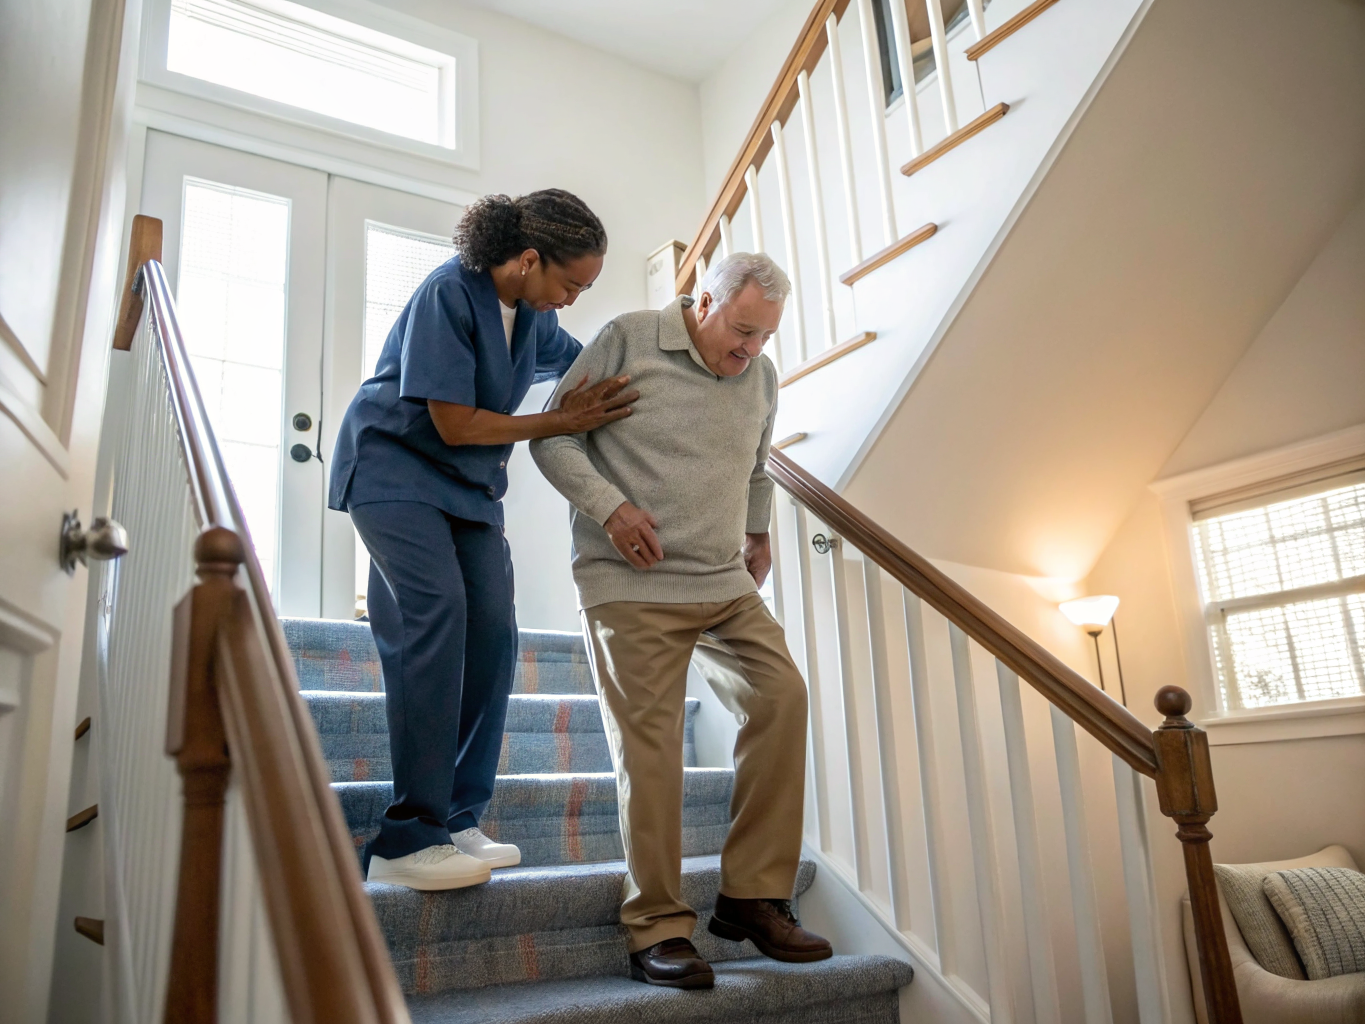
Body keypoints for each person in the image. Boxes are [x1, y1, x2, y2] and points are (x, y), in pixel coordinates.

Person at [530, 252, 832, 988]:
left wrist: (757, 531)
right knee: (653, 751)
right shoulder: (628, 340)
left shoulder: (758, 376)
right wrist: (610, 507)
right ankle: (657, 928)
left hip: (721, 581)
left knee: (780, 698)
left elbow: (757, 466)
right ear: (703, 302)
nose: (751, 350)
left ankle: (752, 897)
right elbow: (552, 434)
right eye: (741, 330)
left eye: (765, 337)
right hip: (628, 584)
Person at [329, 189, 637, 891]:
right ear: (528, 260)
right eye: (569, 283)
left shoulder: (530, 318)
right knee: (434, 620)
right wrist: (559, 424)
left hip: (465, 491)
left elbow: (588, 366)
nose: (571, 299)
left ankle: (457, 815)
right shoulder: (449, 292)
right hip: (391, 471)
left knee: (494, 636)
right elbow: (455, 425)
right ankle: (407, 837)